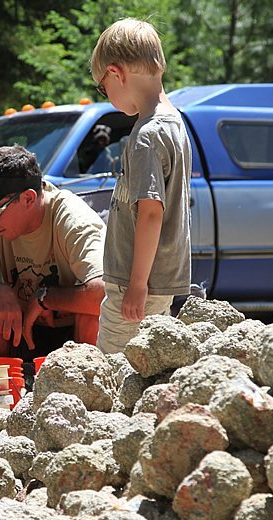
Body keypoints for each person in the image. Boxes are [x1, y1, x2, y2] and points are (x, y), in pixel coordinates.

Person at [0, 144, 106, 362]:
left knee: (92, 316)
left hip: (73, 337)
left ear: (28, 198)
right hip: (19, 333)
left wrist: (47, 298)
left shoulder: (73, 218)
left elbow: (106, 293)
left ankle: (82, 392)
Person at [90, 18, 192, 354]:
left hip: (135, 285)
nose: (108, 98)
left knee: (112, 368)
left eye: (104, 88)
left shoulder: (147, 135)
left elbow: (150, 213)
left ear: (117, 74)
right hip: (159, 281)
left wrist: (136, 285)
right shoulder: (175, 122)